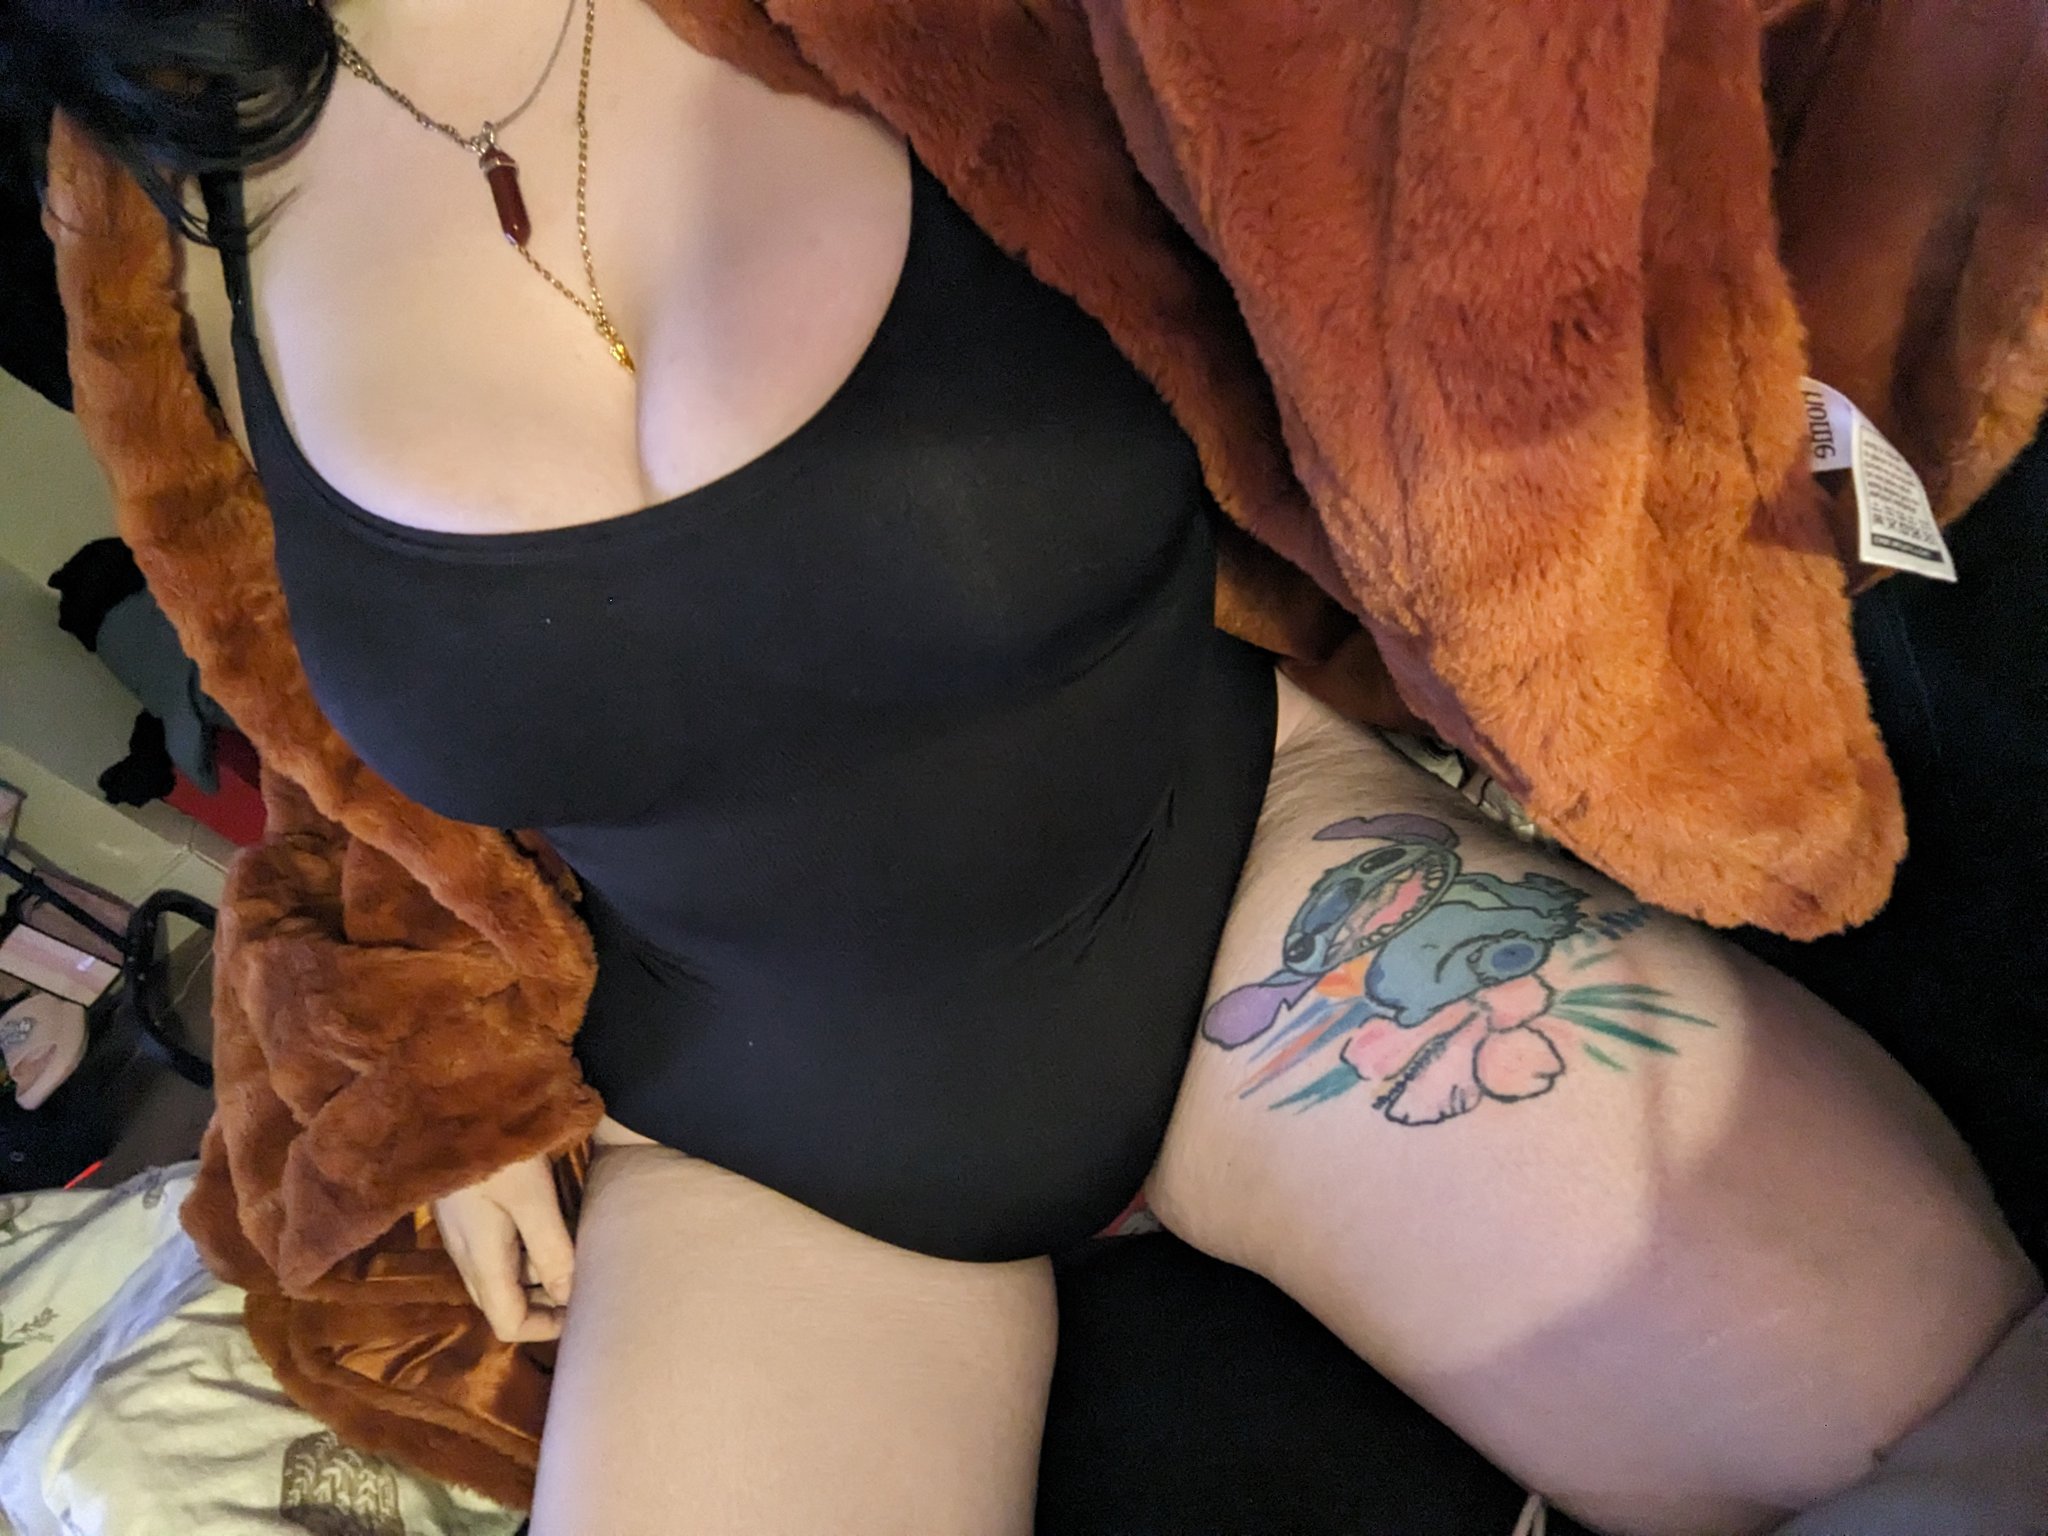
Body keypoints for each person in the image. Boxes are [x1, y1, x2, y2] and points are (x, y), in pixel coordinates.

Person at [25, 2, 2042, 1532]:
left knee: (1979, 1449)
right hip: (754, 1126)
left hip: (1242, 873)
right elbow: (316, 742)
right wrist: (425, 1053)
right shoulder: (144, 186)